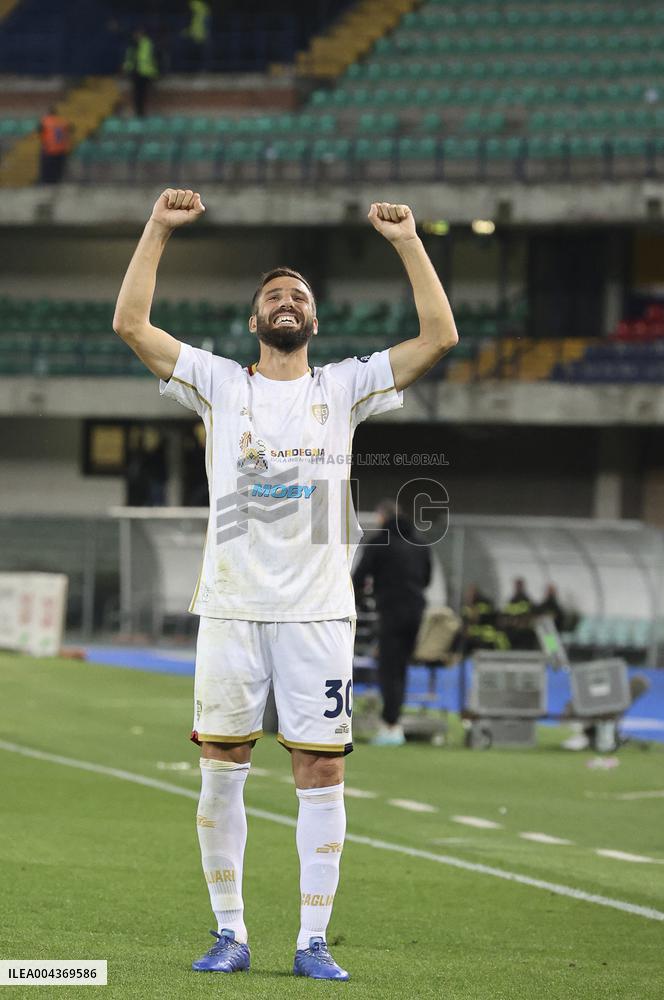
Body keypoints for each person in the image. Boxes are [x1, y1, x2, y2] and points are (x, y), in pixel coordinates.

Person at [112, 188, 458, 980]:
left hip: (317, 613)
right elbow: (131, 324)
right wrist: (158, 227)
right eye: (273, 295)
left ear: (314, 321)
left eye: (298, 294)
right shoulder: (218, 383)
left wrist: (407, 242)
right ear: (254, 320)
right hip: (232, 607)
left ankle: (312, 941)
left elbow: (440, 336)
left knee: (322, 771)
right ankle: (230, 931)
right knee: (222, 765)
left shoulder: (342, 387)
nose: (287, 300)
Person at [352, 499, 431, 746]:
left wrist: (363, 599)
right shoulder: (420, 543)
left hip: (392, 611)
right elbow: (426, 579)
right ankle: (394, 722)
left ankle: (390, 725)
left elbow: (358, 578)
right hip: (416, 612)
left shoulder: (380, 542)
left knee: (388, 669)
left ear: (382, 517)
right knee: (401, 668)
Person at [122, 28, 159, 117]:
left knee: (145, 93)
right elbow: (129, 59)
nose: (137, 35)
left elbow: (154, 57)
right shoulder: (131, 45)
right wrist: (126, 70)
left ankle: (145, 113)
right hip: (135, 73)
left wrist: (155, 72)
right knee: (137, 94)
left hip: (146, 73)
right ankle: (139, 113)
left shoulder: (148, 43)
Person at [38, 107, 72, 184]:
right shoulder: (62, 121)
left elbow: (40, 131)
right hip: (61, 149)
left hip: (50, 149)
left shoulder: (45, 121)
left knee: (48, 168)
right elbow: (71, 129)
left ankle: (47, 181)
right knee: (58, 168)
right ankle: (57, 181)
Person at [501, 577, 536, 650]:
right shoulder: (512, 601)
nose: (518, 587)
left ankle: (553, 651)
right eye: (517, 585)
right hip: (514, 632)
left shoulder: (527, 601)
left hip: (526, 633)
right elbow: (506, 614)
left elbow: (533, 614)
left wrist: (525, 622)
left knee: (549, 637)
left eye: (519, 585)